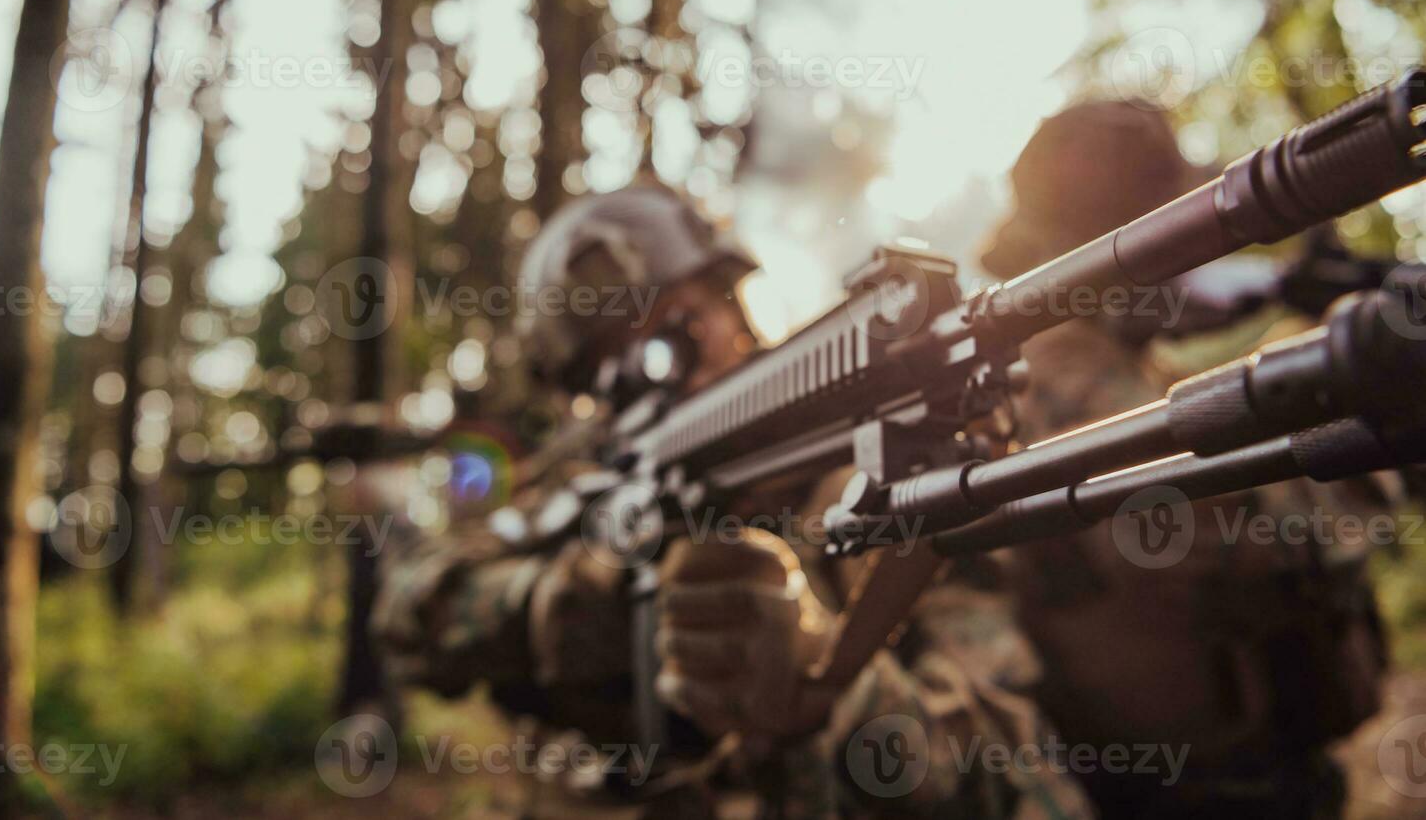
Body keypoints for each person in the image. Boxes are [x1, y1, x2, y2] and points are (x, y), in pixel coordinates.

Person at [367, 185, 1093, 818]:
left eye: (679, 329)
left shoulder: (870, 495)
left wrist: (832, 684)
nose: (656, 373)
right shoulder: (573, 495)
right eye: (607, 368)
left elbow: (1017, 775)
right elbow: (403, 614)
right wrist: (540, 610)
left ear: (735, 309)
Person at [980, 101, 1392, 820]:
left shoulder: (1099, 364)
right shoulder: (1069, 385)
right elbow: (1260, 540)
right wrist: (1355, 376)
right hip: (1206, 793)